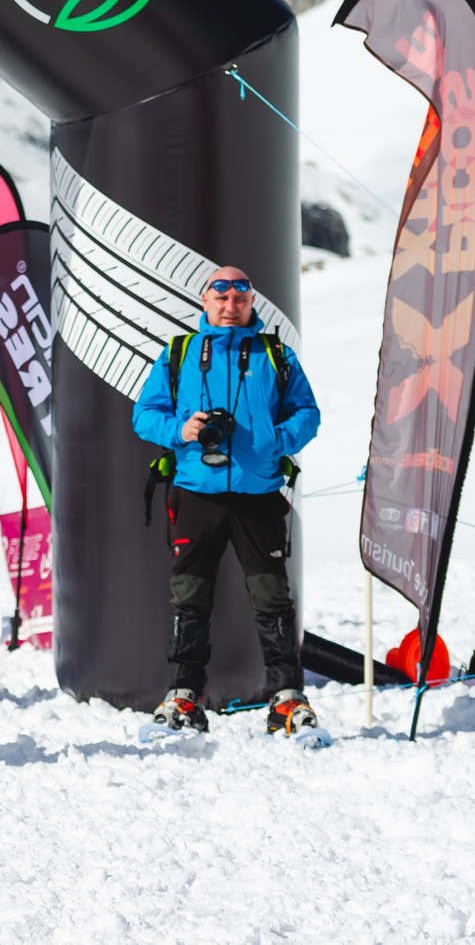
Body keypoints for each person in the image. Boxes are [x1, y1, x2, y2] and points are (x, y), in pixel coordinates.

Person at [132, 265, 322, 738]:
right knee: (190, 598)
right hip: (198, 495)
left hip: (258, 497)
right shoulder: (179, 354)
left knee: (273, 600)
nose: (230, 305)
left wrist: (276, 440)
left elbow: (308, 413)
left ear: (251, 302)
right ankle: (183, 696)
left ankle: (286, 700)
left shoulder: (275, 354)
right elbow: (144, 415)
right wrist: (181, 430)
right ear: (205, 301)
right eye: (221, 297)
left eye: (240, 297)